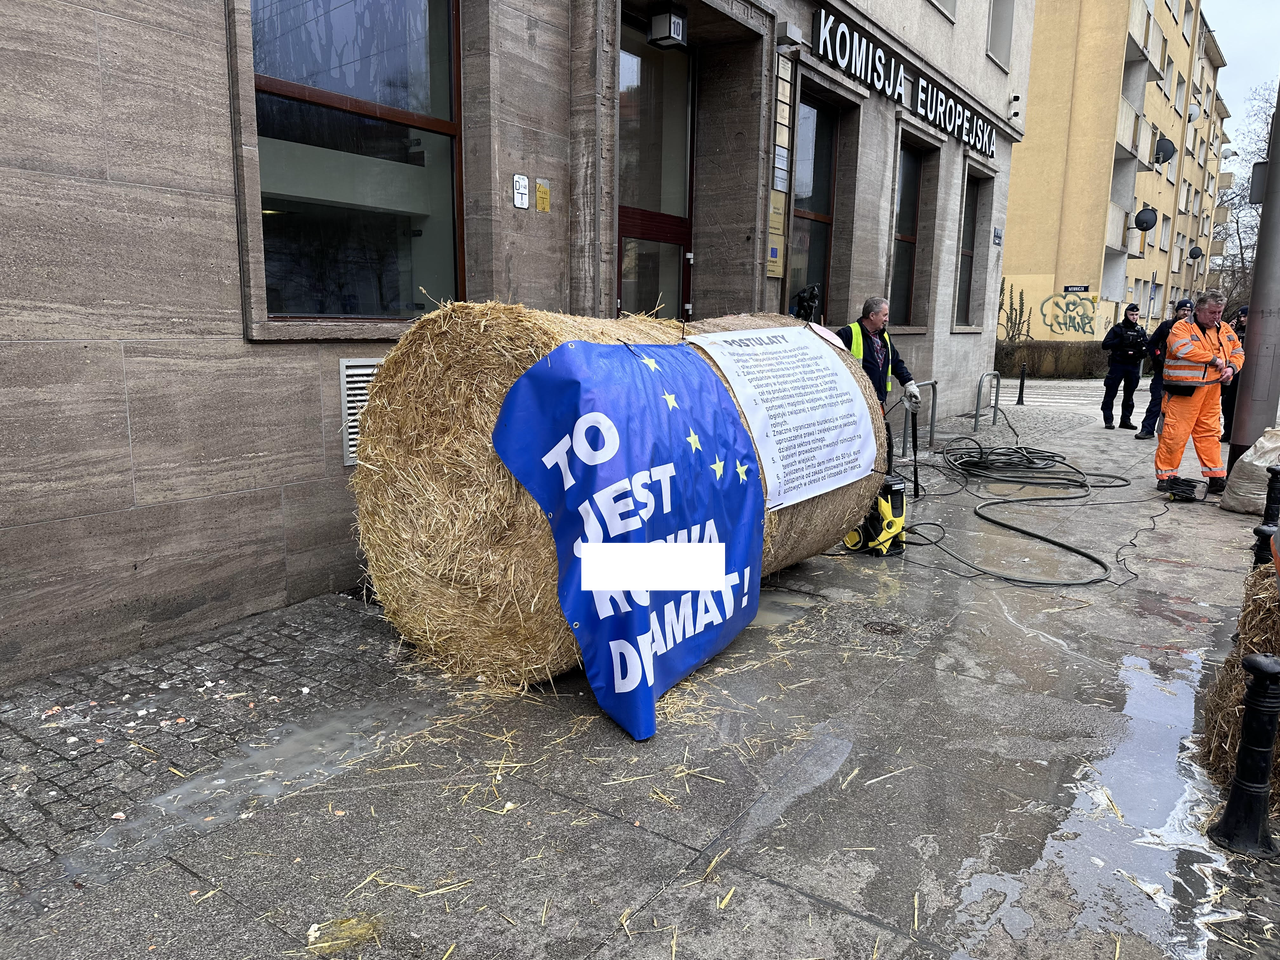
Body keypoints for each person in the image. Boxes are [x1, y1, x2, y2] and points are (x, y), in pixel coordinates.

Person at [1153, 289, 1244, 494]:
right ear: (1199, 310)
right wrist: (1214, 360)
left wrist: (1231, 368)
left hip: (1212, 391)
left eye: (1220, 312)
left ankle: (1216, 477)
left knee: (1210, 434)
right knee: (1174, 434)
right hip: (1183, 391)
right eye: (1213, 312)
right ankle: (1166, 476)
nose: (1217, 316)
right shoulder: (1181, 328)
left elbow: (1238, 352)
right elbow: (1181, 349)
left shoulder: (1225, 330)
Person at [836, 297, 922, 463]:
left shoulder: (884, 337)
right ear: (872, 316)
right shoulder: (848, 334)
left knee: (880, 445)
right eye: (885, 315)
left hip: (877, 402)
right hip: (854, 405)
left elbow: (896, 362)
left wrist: (909, 384)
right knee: (856, 447)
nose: (887, 319)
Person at [1135, 298, 1194, 440]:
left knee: (1178, 406)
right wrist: (1158, 356)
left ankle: (1172, 433)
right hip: (1163, 372)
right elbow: (1152, 344)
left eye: (1188, 310)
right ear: (1177, 311)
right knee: (1156, 400)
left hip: (1184, 376)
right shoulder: (1166, 326)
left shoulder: (1195, 329)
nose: (1185, 313)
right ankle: (1147, 429)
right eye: (1183, 310)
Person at [1100, 303, 1147, 429]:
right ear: (1126, 314)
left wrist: (1142, 351)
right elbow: (1105, 344)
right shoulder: (1117, 329)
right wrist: (1120, 340)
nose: (1134, 317)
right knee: (1110, 393)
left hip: (1133, 366)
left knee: (1129, 395)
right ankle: (1108, 420)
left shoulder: (1140, 330)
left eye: (1136, 315)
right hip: (1118, 365)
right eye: (1131, 314)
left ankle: (1125, 420)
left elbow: (1146, 346)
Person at [1220, 305, 1248, 440]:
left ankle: (1237, 435)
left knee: (1242, 405)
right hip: (1232, 371)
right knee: (1227, 403)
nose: (1242, 319)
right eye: (1240, 317)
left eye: (1245, 316)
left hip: (1245, 372)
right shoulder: (1234, 331)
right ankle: (1228, 431)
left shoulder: (1255, 331)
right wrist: (1229, 330)